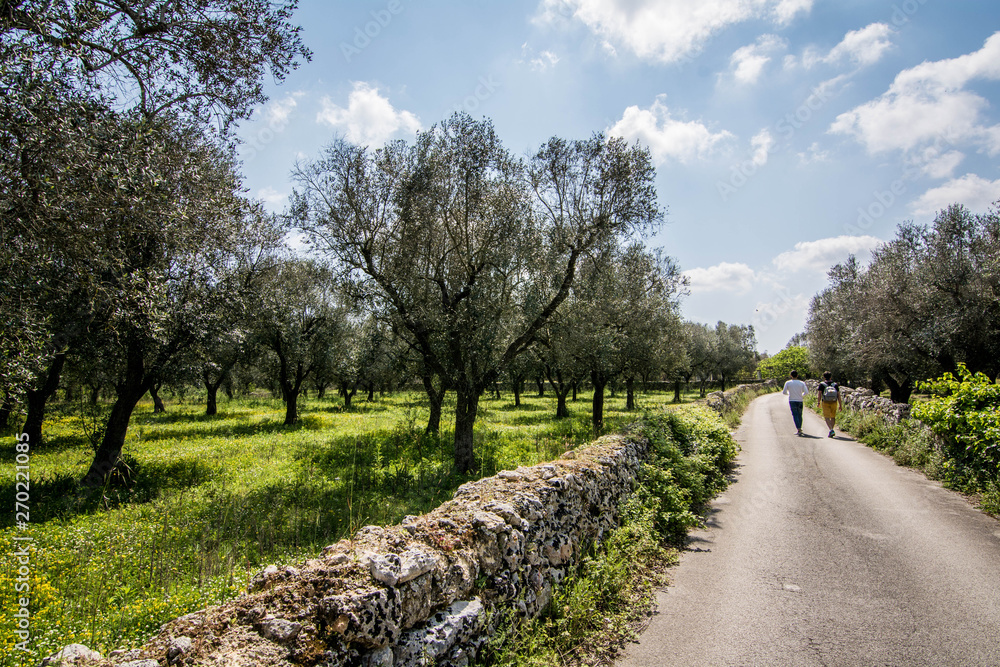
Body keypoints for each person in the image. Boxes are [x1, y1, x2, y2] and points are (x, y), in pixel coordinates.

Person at [817, 371, 843, 437]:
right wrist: (840, 405)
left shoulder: (822, 384)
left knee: (827, 417)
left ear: (824, 377)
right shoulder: (835, 385)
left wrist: (818, 402)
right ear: (831, 377)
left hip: (825, 402)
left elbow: (819, 394)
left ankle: (831, 430)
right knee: (833, 417)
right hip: (834, 402)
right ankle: (831, 430)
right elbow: (838, 395)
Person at [782, 370, 808, 436]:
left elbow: (784, 392)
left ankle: (798, 429)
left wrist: (789, 394)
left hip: (792, 400)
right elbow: (806, 392)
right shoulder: (802, 383)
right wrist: (801, 394)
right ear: (797, 375)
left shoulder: (788, 383)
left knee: (795, 415)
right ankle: (800, 428)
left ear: (791, 376)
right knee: (800, 414)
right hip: (800, 400)